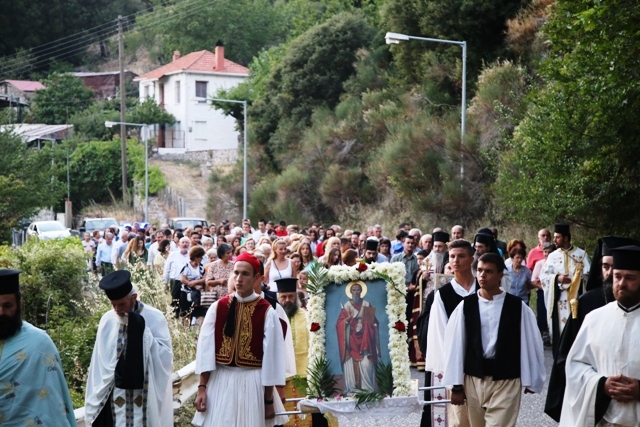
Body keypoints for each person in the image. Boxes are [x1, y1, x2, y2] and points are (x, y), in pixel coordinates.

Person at [442, 253, 545, 427]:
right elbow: (455, 346)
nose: (482, 275)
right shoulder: (466, 306)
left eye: (488, 271)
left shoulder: (517, 307)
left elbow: (530, 342)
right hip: (474, 378)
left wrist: (532, 377)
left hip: (506, 379)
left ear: (500, 275)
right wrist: (456, 386)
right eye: (480, 270)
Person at [545, 236, 638, 422]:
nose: (621, 283)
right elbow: (575, 365)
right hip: (604, 419)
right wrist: (601, 384)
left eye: (630, 278)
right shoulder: (595, 319)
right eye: (618, 277)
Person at [192, 253, 288, 427]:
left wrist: (268, 400)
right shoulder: (218, 307)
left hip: (252, 383)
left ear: (257, 278)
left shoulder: (267, 311)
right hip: (221, 382)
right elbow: (205, 351)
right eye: (236, 273)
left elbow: (272, 359)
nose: (239, 279)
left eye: (245, 274)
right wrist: (202, 388)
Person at [84, 270, 173, 427]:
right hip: (113, 395)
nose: (117, 309)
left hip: (144, 393)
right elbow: (99, 365)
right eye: (113, 305)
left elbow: (165, 358)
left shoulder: (154, 317)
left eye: (122, 304)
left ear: (134, 298)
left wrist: (142, 333)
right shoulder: (107, 321)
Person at [0, 269, 76, 426]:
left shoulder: (39, 343)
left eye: (7, 306)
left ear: (19, 305)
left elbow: (52, 406)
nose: (1, 312)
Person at [419, 239, 476, 427]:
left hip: (480, 366)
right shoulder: (441, 295)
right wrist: (454, 382)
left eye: (461, 256)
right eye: (452, 256)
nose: (456, 261)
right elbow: (440, 338)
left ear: (471, 259)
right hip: (454, 367)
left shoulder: (483, 291)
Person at [540, 222, 590, 355]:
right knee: (560, 334)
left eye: (557, 237)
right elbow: (544, 278)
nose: (554, 240)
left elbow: (589, 277)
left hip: (577, 301)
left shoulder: (581, 255)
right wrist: (557, 279)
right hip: (558, 300)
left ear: (566, 238)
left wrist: (580, 277)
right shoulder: (552, 256)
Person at [336, 281, 380, 393]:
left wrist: (368, 324)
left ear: (361, 291)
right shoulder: (346, 306)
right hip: (351, 341)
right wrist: (347, 319)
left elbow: (373, 322)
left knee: (366, 363)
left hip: (366, 340)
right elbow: (339, 324)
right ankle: (353, 389)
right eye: (354, 290)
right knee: (349, 363)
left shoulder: (366, 304)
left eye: (358, 290)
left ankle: (367, 390)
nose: (356, 292)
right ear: (350, 292)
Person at [163, 236, 191, 317]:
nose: (185, 244)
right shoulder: (173, 255)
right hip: (175, 280)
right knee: (175, 299)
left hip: (187, 281)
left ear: (189, 244)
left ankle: (185, 317)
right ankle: (175, 316)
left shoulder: (191, 254)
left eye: (186, 242)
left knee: (185, 300)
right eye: (183, 242)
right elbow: (167, 268)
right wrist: (165, 282)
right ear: (179, 244)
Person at [180, 246, 207, 324]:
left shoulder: (201, 267)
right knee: (186, 313)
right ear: (196, 257)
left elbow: (204, 278)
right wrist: (192, 284)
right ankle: (186, 329)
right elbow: (182, 279)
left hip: (198, 293)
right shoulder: (186, 266)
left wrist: (195, 282)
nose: (202, 259)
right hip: (186, 292)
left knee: (200, 313)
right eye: (200, 257)